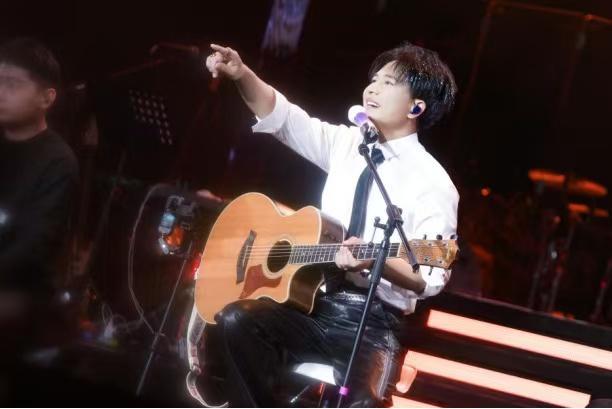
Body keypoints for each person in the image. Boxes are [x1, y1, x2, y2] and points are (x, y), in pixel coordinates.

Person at [201, 41, 458, 407]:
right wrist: (241, 74)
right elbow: (284, 118)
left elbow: (429, 276)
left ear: (416, 107)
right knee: (236, 320)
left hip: (371, 322)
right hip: (312, 304)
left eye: (388, 83)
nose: (372, 89)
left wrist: (375, 260)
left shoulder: (433, 183)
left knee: (362, 402)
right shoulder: (348, 144)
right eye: (373, 80)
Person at [0, 37, 78, 359]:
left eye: (12, 84)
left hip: (20, 293)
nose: (1, 92)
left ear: (47, 98)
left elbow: (32, 248)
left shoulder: (58, 161)